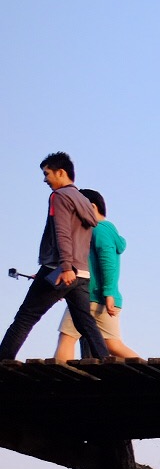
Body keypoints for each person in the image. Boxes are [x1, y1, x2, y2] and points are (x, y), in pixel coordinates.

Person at [0, 152, 111, 360]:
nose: (45, 180)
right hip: (81, 273)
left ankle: (3, 360)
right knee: (85, 323)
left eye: (47, 174)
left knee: (26, 316)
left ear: (61, 172)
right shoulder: (83, 200)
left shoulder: (59, 196)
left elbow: (62, 232)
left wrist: (65, 267)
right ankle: (106, 362)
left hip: (62, 269)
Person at [54, 190, 138, 362]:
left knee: (67, 338)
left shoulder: (98, 229)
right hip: (104, 298)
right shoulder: (100, 230)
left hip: (89, 296)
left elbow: (108, 262)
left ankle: (57, 377)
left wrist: (108, 293)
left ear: (91, 207)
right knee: (113, 345)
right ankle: (145, 370)